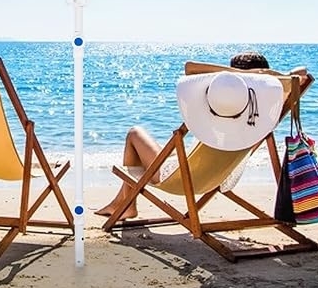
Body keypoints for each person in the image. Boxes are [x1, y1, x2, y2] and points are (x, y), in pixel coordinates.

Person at [95, 51, 294, 220]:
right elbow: (300, 75)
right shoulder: (265, 114)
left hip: (183, 180)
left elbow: (190, 67)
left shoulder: (222, 107)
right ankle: (123, 204)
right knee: (159, 151)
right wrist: (263, 77)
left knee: (134, 132)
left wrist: (237, 76)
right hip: (220, 177)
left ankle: (126, 205)